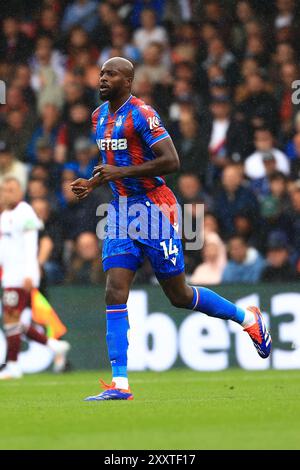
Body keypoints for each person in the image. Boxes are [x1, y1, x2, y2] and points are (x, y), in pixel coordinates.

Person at [71, 57, 272, 401]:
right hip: (120, 211)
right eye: (101, 72)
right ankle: (120, 384)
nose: (102, 78)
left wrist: (118, 175)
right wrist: (93, 183)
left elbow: (172, 161)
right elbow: (114, 164)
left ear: (129, 81)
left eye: (111, 73)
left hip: (155, 207)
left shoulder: (143, 114)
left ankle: (246, 318)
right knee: (114, 290)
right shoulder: (98, 117)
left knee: (178, 295)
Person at [0, 178, 70, 380]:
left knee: (12, 319)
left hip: (21, 276)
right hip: (9, 276)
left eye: (11, 190)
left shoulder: (25, 212)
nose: (7, 193)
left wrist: (30, 273)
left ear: (20, 192)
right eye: (4, 190)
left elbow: (32, 245)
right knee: (14, 321)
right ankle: (54, 345)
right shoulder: (5, 215)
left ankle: (13, 366)